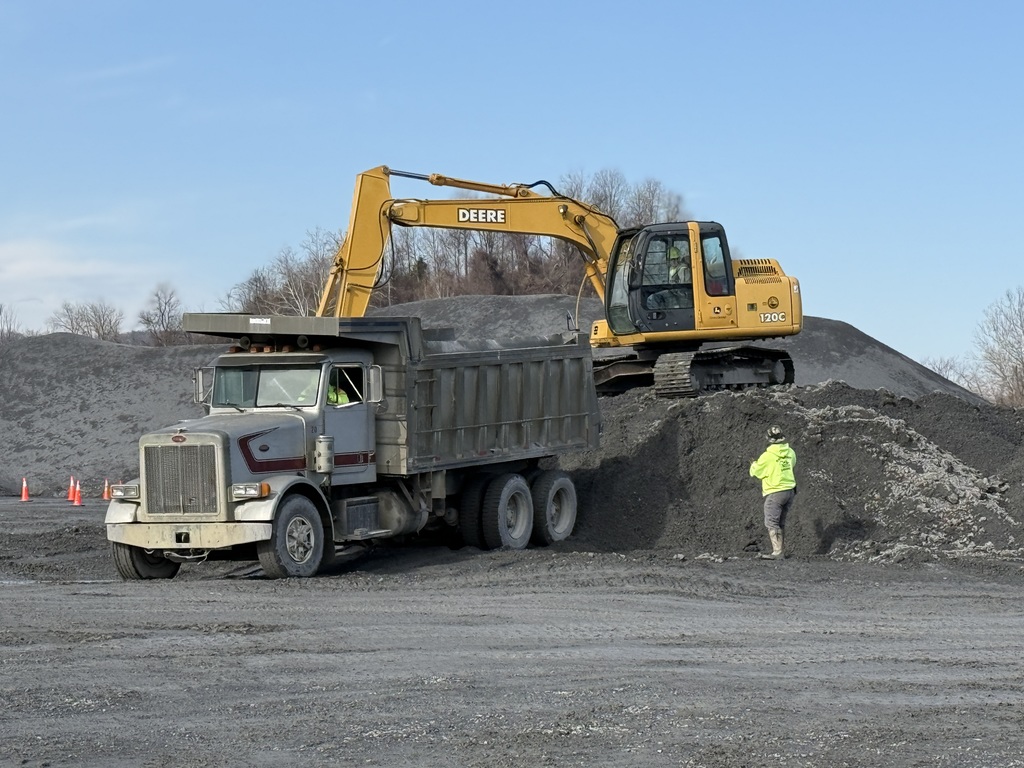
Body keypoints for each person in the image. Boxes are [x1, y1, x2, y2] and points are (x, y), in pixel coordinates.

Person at [749, 425, 797, 559]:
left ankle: (777, 552)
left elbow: (757, 472)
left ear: (769, 439)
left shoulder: (767, 456)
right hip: (789, 491)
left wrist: (753, 465)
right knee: (780, 521)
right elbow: (791, 464)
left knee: (771, 521)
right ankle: (780, 550)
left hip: (775, 491)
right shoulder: (791, 452)